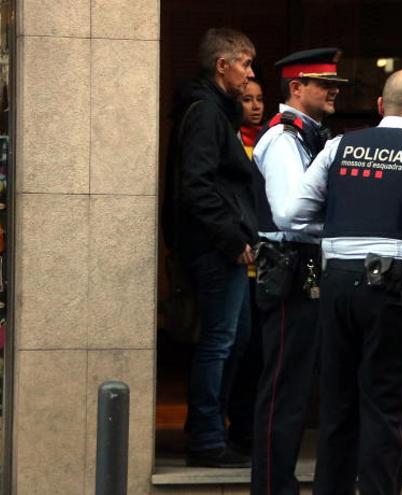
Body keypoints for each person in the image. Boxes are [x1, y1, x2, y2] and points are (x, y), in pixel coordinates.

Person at [292, 70, 402, 495]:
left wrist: (341, 232)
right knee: (384, 409)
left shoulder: (338, 146)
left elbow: (291, 213)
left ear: (379, 107)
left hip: (336, 282)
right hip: (396, 290)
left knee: (337, 407)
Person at [249, 48, 348, 495]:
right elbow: (290, 215)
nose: (332, 91)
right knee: (285, 390)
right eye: (323, 83)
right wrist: (343, 223)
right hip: (292, 267)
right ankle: (272, 487)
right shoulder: (283, 139)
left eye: (334, 84)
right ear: (296, 88)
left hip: (308, 266)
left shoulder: (308, 136)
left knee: (299, 387)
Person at [162, 27, 258, 468]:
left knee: (233, 339)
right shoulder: (206, 113)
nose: (249, 73)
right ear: (223, 66)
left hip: (219, 245)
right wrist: (232, 237)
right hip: (215, 249)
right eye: (245, 64)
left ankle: (208, 428)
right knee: (220, 341)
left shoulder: (215, 111)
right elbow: (196, 186)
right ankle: (205, 438)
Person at [224, 73, 266, 456]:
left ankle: (244, 426)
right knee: (234, 347)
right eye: (247, 99)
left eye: (259, 98)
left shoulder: (270, 140)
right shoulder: (231, 140)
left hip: (262, 264)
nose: (255, 105)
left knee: (254, 351)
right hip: (239, 260)